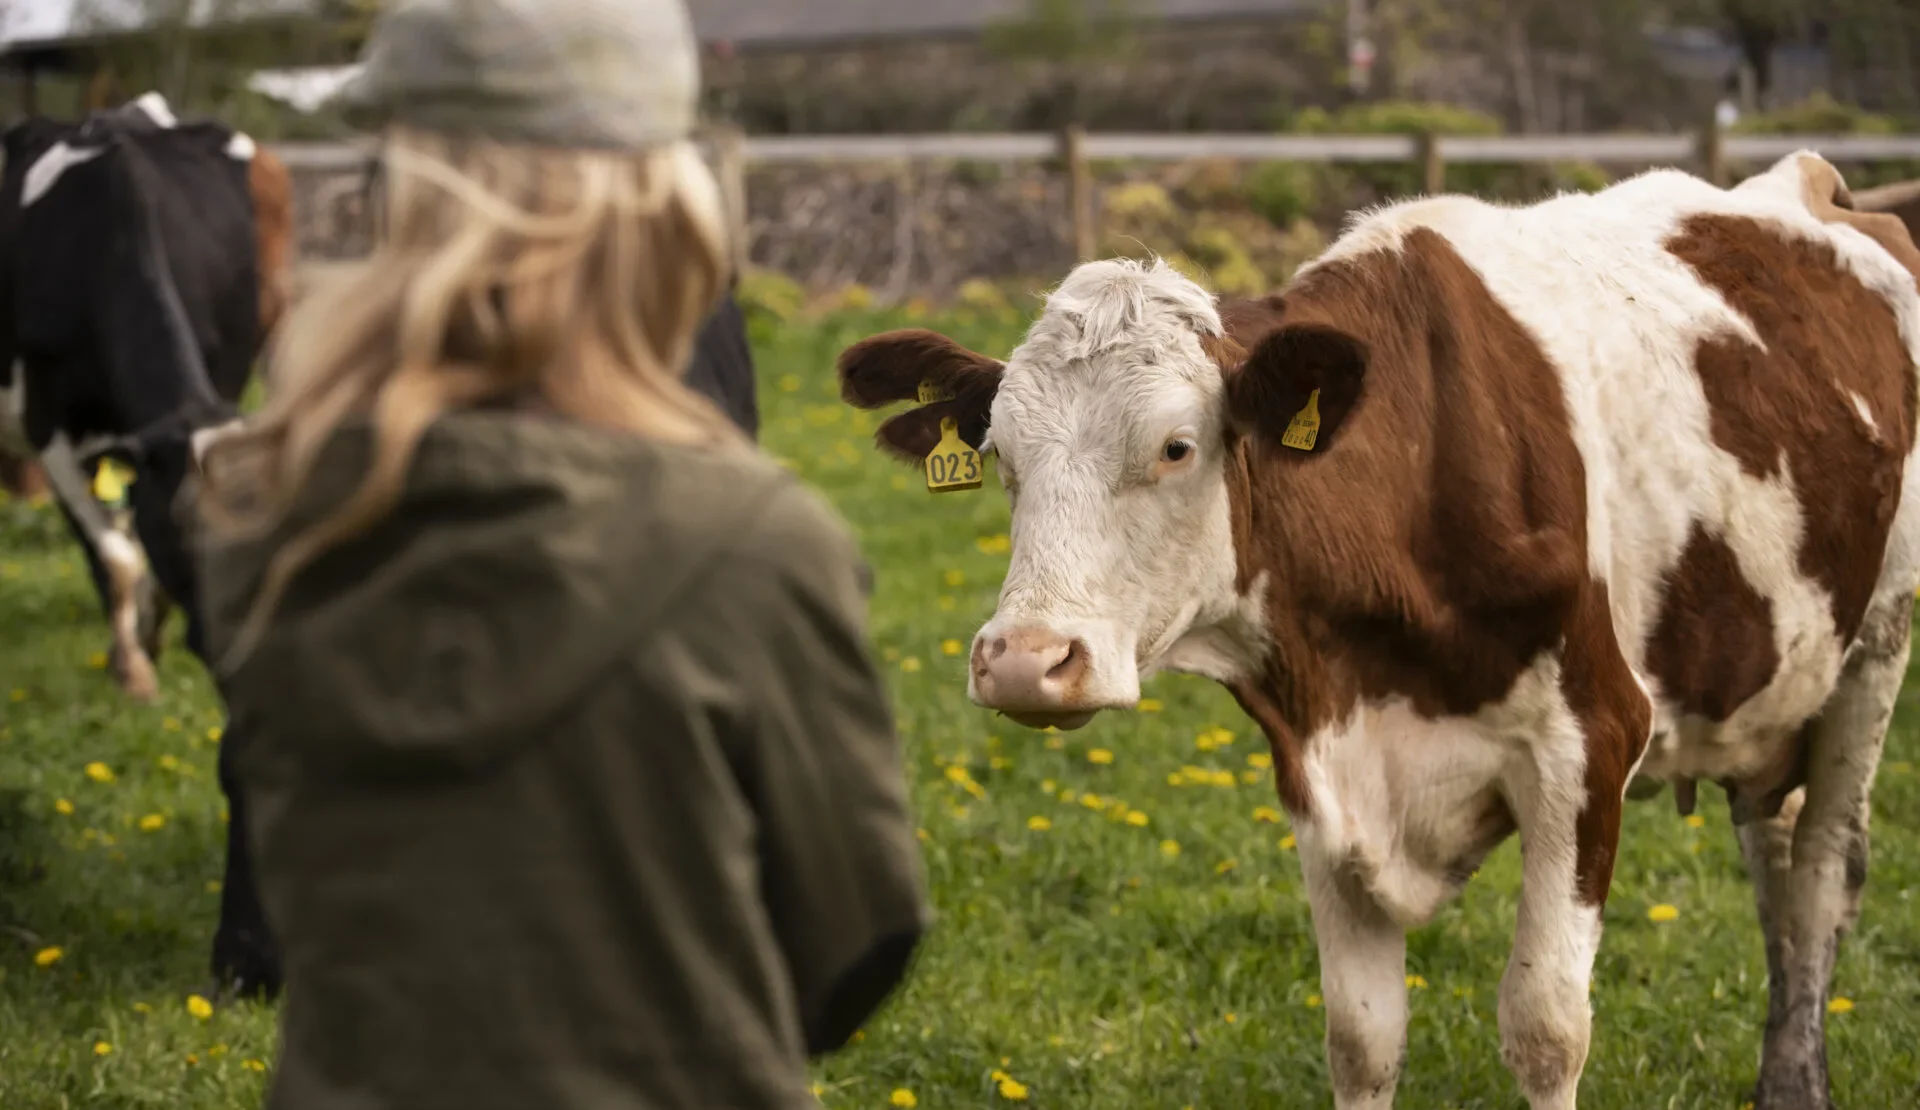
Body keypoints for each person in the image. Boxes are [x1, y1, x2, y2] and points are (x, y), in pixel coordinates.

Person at [191, 1, 931, 1106]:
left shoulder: (252, 515)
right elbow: (850, 950)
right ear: (664, 202)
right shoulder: (756, 544)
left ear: (398, 196)